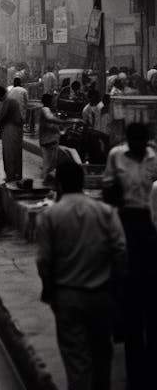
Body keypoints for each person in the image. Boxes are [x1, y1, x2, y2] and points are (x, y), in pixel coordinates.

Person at [36, 158, 127, 390]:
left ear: (59, 185)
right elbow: (120, 252)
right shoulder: (105, 212)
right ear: (83, 182)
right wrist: (116, 288)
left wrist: (49, 291)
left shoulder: (50, 216)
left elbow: (44, 261)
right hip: (102, 295)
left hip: (68, 297)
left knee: (77, 363)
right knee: (101, 358)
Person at [101, 122, 157, 389]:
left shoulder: (153, 158)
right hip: (124, 220)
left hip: (149, 223)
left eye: (141, 143)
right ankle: (124, 329)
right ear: (128, 141)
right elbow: (108, 190)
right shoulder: (116, 156)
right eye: (133, 142)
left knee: (147, 287)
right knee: (124, 280)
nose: (137, 147)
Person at [0, 85, 23, 182]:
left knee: (9, 154)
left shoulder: (8, 102)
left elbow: (0, 117)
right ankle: (16, 175)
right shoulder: (10, 100)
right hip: (15, 130)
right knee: (16, 153)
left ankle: (11, 176)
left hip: (10, 130)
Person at [38, 93, 63, 185]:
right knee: (48, 166)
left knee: (48, 165)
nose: (54, 102)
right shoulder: (45, 109)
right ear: (49, 101)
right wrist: (64, 122)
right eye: (52, 100)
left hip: (48, 140)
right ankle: (43, 185)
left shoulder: (48, 110)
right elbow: (50, 118)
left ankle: (44, 184)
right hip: (49, 141)